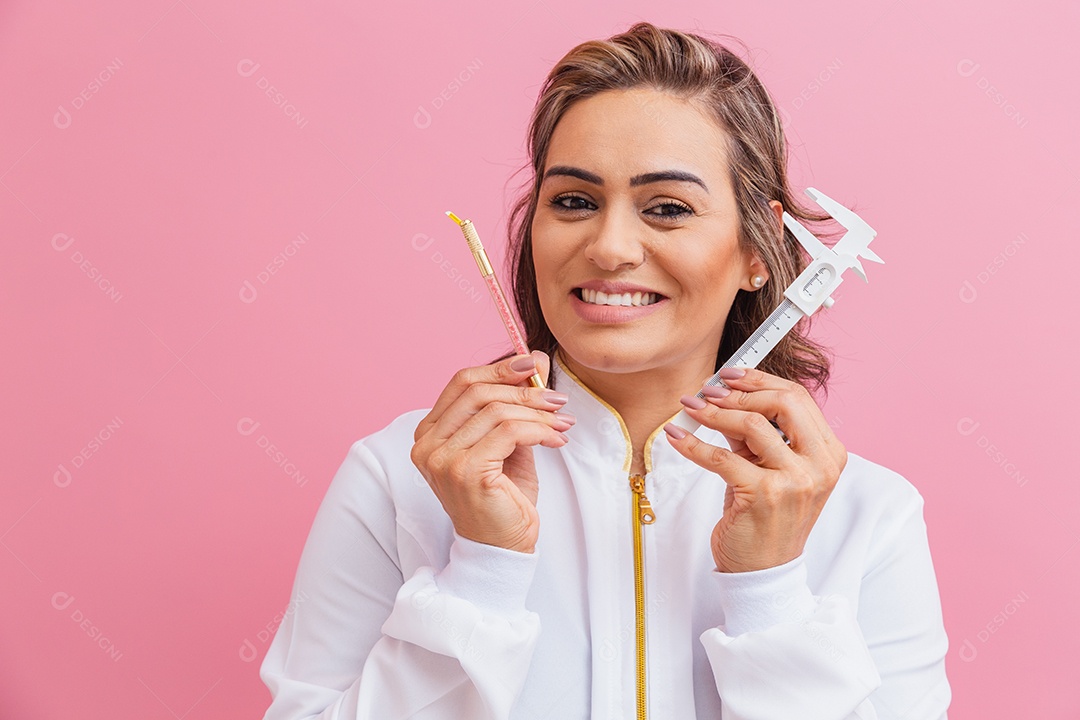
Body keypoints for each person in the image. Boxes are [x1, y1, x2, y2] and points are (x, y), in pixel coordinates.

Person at [258, 22, 951, 720]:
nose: (611, 247)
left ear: (757, 248)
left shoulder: (870, 516)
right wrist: (482, 572)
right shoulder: (401, 479)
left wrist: (769, 593)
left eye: (669, 209)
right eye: (574, 202)